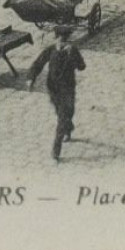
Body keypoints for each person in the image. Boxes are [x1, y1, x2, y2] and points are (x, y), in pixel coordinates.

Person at [27, 24, 87, 162]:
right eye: (60, 39)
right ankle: (69, 127)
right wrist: (31, 78)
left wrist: (72, 55)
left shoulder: (73, 51)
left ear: (68, 39)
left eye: (64, 39)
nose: (62, 42)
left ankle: (56, 149)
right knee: (61, 113)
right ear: (56, 38)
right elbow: (38, 64)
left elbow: (82, 67)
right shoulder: (50, 50)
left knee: (63, 115)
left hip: (68, 89)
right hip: (53, 89)